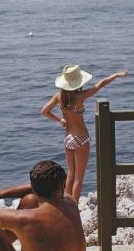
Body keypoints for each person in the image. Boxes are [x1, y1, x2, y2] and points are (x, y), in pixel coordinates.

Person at [41, 65, 128, 202]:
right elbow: (100, 85)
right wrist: (116, 75)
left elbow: (44, 111)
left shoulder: (59, 97)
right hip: (81, 138)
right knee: (79, 177)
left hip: (68, 139)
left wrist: (60, 120)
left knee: (70, 174)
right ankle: (74, 206)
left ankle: (66, 203)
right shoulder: (80, 96)